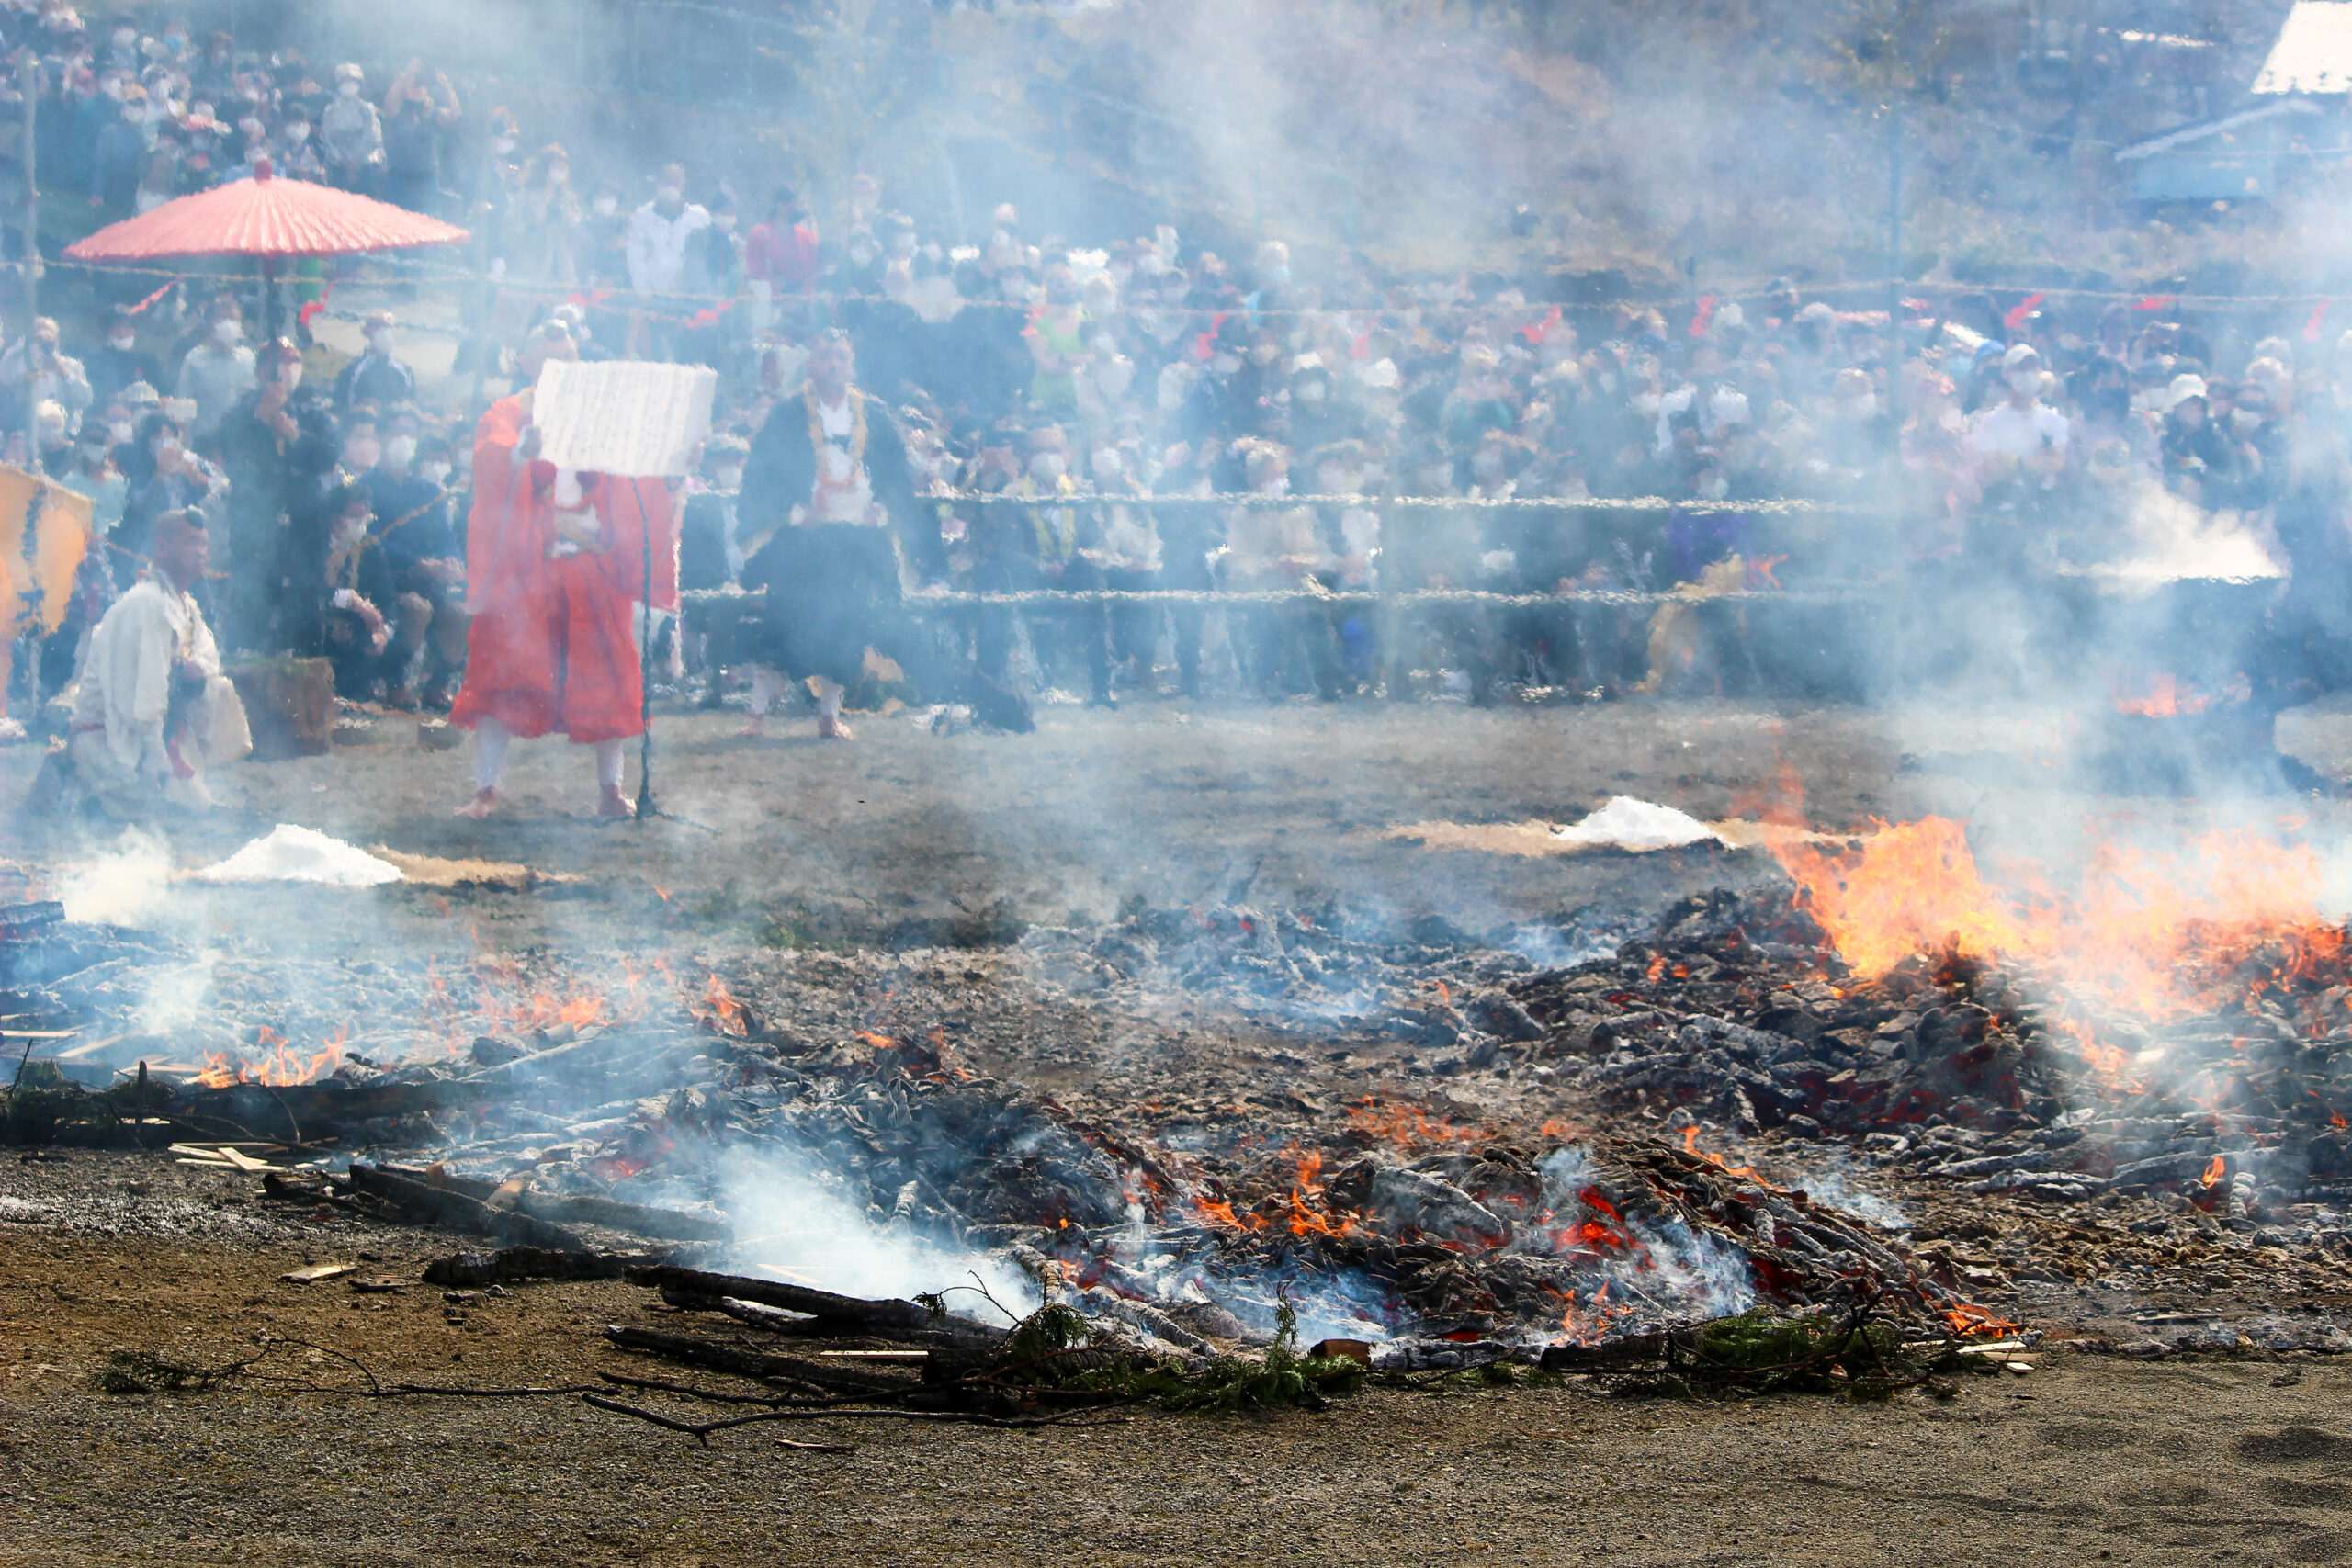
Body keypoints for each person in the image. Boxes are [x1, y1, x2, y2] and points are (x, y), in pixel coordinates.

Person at [447, 321, 677, 818]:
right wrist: (519, 454)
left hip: (590, 567)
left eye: (570, 357)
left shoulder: (603, 417)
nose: (563, 367)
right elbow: (491, 461)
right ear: (526, 363)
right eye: (551, 357)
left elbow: (637, 474)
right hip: (526, 573)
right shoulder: (506, 413)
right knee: (502, 677)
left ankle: (611, 790)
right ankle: (485, 790)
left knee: (608, 679)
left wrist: (671, 467)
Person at [737, 331, 933, 739]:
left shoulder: (874, 414)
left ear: (852, 365)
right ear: (810, 365)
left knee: (847, 629)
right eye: (826, 356)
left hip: (855, 541)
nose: (834, 364)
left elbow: (895, 475)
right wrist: (794, 512)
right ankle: (756, 716)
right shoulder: (788, 414)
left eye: (841, 356)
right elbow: (763, 474)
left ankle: (829, 716)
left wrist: (882, 509)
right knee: (784, 625)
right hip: (804, 540)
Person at [61, 508, 252, 815]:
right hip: (112, 738)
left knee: (219, 688)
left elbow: (208, 660)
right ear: (162, 547)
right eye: (191, 542)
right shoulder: (147, 602)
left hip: (158, 732)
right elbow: (144, 693)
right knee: (141, 817)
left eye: (204, 544)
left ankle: (172, 776)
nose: (201, 552)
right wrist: (154, 754)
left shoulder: (185, 604)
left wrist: (189, 673)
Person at [214, 338, 335, 653]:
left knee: (305, 600)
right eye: (281, 361)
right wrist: (260, 417)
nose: (289, 369)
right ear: (261, 371)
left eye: (295, 361)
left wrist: (294, 434)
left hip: (305, 524)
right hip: (257, 522)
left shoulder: (313, 412)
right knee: (254, 598)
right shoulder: (240, 412)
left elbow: (328, 456)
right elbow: (230, 453)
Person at [361, 408, 469, 707]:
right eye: (397, 431)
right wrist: (417, 563)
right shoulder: (367, 486)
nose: (404, 439)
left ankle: (438, 683)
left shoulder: (429, 491)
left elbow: (446, 536)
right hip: (387, 579)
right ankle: (396, 681)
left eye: (410, 433)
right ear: (381, 436)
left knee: (460, 613)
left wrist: (451, 561)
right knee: (416, 609)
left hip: (430, 579)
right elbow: (375, 539)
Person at [175, 296, 256, 441]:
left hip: (240, 439)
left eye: (233, 320)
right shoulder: (194, 359)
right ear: (210, 325)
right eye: (222, 320)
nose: (228, 325)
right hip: (205, 438)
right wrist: (184, 435)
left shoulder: (250, 359)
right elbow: (184, 400)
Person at [0, 315, 92, 434]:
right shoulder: (20, 365)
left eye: (48, 340)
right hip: (31, 433)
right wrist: (22, 345)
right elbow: (4, 379)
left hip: (64, 434)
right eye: (38, 340)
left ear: (56, 341)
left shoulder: (71, 365)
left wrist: (63, 372)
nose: (43, 344)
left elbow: (85, 400)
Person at [318, 62, 381, 194]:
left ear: (359, 83)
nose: (348, 84)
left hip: (363, 167)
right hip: (338, 167)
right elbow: (327, 138)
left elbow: (372, 137)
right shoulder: (331, 111)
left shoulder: (367, 109)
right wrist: (342, 159)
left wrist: (355, 160)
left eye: (352, 80)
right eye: (344, 80)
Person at [333, 310, 416, 410]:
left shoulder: (404, 370)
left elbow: (410, 402)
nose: (384, 331)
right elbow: (340, 404)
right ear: (367, 331)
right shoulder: (353, 369)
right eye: (378, 326)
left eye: (387, 326)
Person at [88, 306, 159, 404]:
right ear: (107, 330)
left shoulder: (148, 362)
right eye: (116, 327)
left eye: (127, 327)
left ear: (135, 330)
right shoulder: (95, 361)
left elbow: (163, 392)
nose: (121, 333)